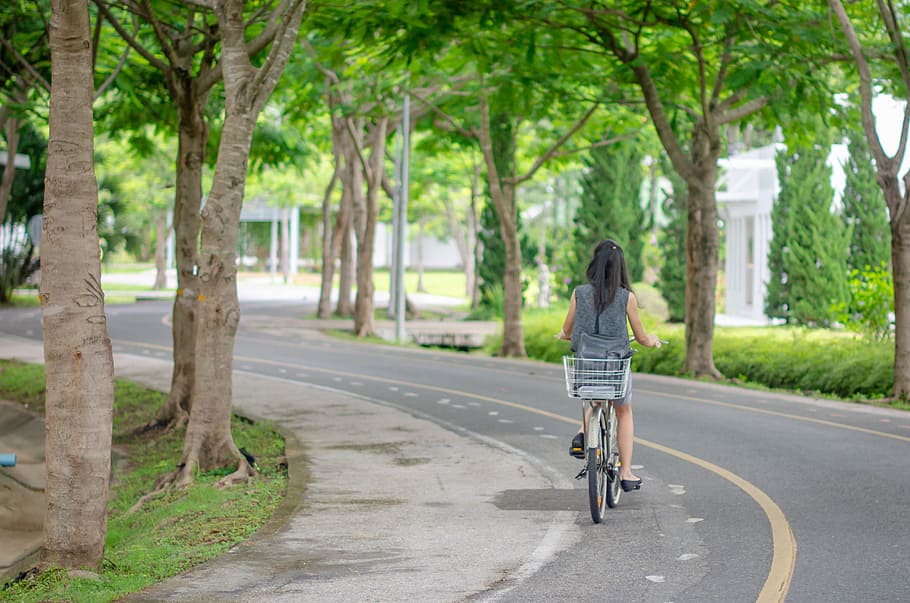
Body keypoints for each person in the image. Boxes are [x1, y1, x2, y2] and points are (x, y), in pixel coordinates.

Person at [557, 239, 661, 492]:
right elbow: (642, 336)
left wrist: (562, 335)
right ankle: (625, 472)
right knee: (624, 411)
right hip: (614, 367)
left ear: (595, 264)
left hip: (587, 365)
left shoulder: (579, 293)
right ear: (620, 268)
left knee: (591, 395)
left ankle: (583, 432)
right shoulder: (627, 298)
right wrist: (652, 341)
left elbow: (568, 329)